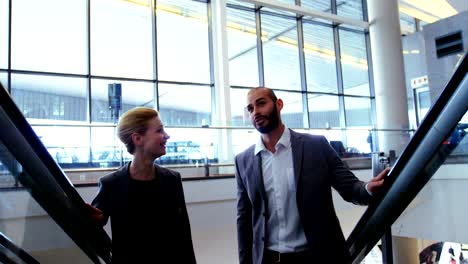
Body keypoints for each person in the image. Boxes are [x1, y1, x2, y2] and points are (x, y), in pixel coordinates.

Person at [235, 87, 389, 264]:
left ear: (279, 104)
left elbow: (350, 187)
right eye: (250, 108)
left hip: (318, 256)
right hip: (270, 259)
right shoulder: (243, 161)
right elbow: (244, 220)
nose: (256, 112)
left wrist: (368, 188)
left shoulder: (316, 146)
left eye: (261, 104)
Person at [86, 107, 196, 264]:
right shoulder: (111, 184)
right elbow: (93, 230)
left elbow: (184, 235)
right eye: (159, 130)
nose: (167, 136)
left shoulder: (172, 179)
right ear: (138, 139)